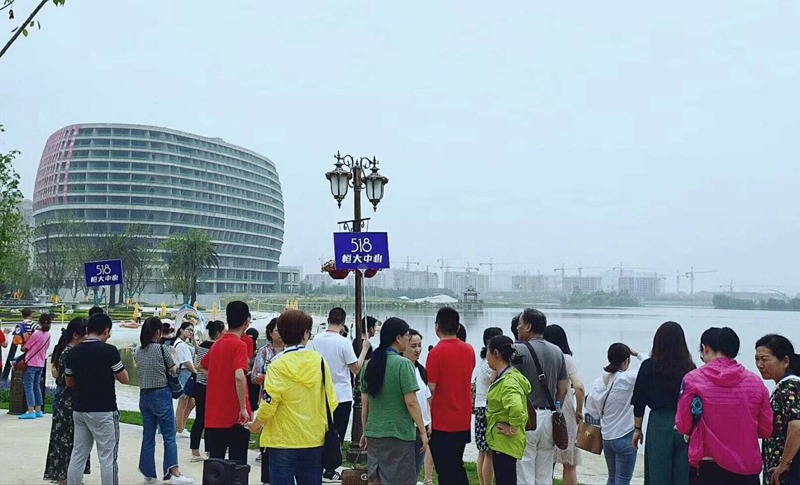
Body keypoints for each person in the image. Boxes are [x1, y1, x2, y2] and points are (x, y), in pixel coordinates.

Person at [245, 310, 338, 485]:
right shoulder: (319, 361)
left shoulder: (277, 364)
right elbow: (331, 400)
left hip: (281, 440)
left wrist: (256, 425)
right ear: (305, 334)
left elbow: (269, 403)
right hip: (313, 438)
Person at [675, 328, 772, 485]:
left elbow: (683, 425)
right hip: (747, 468)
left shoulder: (692, 380)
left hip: (707, 467)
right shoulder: (756, 383)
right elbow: (766, 429)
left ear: (705, 348)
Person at [360, 317, 427, 485]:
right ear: (398, 338)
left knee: (376, 479)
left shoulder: (369, 365)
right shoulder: (403, 365)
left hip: (375, 433)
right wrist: (422, 431)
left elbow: (365, 404)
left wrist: (365, 431)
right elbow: (411, 402)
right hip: (398, 433)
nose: (408, 339)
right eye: (407, 336)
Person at [65, 313, 130, 485]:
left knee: (78, 454)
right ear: (106, 331)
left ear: (87, 329)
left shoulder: (74, 352)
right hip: (104, 409)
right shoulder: (110, 351)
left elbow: (69, 381)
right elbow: (124, 378)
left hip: (80, 408)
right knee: (107, 457)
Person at [309, 307, 371, 482]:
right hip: (341, 394)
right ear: (343, 323)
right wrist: (364, 349)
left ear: (328, 320)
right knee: (338, 432)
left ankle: (319, 465)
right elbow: (356, 368)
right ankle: (330, 469)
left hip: (320, 393)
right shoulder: (343, 342)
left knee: (321, 431)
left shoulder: (317, 339)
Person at [630, 321, 695, 485]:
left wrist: (637, 429)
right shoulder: (690, 368)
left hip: (658, 423)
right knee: (683, 473)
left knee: (658, 472)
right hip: (684, 423)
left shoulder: (648, 366)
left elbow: (639, 401)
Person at [511, 308, 569, 485]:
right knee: (544, 472)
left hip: (527, 416)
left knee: (524, 469)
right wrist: (556, 407)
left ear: (528, 327)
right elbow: (563, 387)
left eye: (520, 324)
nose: (518, 328)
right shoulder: (557, 351)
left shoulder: (518, 350)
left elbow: (510, 384)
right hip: (549, 416)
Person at [135, 317, 193, 485]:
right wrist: (173, 357)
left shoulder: (139, 350)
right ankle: (173, 473)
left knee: (148, 436)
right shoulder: (162, 349)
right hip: (161, 394)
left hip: (144, 395)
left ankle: (148, 474)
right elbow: (173, 370)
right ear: (158, 332)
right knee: (169, 435)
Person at [198, 301, 252, 463]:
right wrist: (243, 407)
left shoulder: (217, 345)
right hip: (235, 417)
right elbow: (239, 376)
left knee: (215, 467)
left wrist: (217, 377)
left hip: (214, 415)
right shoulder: (239, 345)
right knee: (238, 466)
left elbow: (200, 366)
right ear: (246, 322)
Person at [586, 343, 646, 485]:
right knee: (623, 480)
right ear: (626, 361)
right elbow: (649, 366)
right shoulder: (628, 378)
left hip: (607, 437)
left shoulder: (599, 382)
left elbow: (591, 409)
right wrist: (638, 354)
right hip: (625, 435)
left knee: (612, 478)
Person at [427, 307, 475, 485]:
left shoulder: (435, 353)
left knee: (445, 470)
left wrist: (426, 419)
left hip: (442, 421)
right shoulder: (469, 350)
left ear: (437, 327)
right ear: (458, 327)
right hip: (462, 418)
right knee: (456, 464)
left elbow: (430, 389)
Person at [44, 317, 90, 485]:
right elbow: (68, 380)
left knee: (71, 442)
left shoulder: (68, 352)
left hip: (69, 403)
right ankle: (64, 478)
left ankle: (70, 476)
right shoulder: (71, 353)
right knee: (67, 443)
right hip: (68, 404)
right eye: (85, 334)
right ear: (76, 335)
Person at [486, 335, 531, 485]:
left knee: (505, 479)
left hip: (505, 442)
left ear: (496, 353)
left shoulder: (508, 382)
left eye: (488, 352)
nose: (486, 357)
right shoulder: (508, 376)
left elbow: (516, 407)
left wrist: (512, 428)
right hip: (502, 442)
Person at [756, 334, 800, 485]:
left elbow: (797, 426)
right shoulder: (783, 387)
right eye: (757, 359)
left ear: (785, 361)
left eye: (765, 359)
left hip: (788, 474)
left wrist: (784, 463)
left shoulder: (790, 386)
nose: (760, 365)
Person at [544, 324, 585, 485]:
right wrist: (579, 411)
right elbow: (579, 387)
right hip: (565, 413)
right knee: (569, 464)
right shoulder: (566, 359)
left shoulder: (542, 358)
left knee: (545, 463)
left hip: (545, 410)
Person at [251, 318, 285, 484]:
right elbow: (254, 376)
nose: (280, 333)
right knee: (267, 435)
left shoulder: (290, 351)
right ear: (270, 333)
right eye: (277, 330)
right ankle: (266, 477)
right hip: (268, 398)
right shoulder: (263, 352)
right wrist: (269, 377)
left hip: (286, 401)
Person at [191, 320, 225, 462]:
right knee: (211, 420)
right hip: (209, 387)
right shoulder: (216, 347)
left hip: (199, 386)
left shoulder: (202, 346)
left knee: (200, 418)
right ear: (218, 333)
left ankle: (195, 450)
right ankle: (210, 450)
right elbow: (202, 366)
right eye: (223, 332)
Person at [403, 329, 434, 484]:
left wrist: (429, 423)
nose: (417, 350)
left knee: (415, 471)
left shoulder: (421, 370)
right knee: (405, 472)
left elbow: (426, 399)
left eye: (419, 345)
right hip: (408, 427)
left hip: (423, 426)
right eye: (413, 346)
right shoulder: (402, 369)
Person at [474, 327, 503, 485]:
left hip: (480, 406)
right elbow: (493, 378)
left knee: (483, 451)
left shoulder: (482, 359)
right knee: (489, 452)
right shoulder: (489, 362)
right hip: (487, 407)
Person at [19, 313, 52, 419]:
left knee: (28, 386)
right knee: (36, 386)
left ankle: (31, 411)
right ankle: (38, 410)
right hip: (41, 363)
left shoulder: (36, 334)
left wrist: (21, 344)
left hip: (31, 362)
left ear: (39, 321)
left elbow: (25, 348)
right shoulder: (48, 335)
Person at [174, 321, 197, 438]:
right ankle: (179, 428)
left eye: (192, 330)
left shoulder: (185, 344)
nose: (190, 332)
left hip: (188, 373)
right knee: (183, 402)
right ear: (181, 330)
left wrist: (193, 339)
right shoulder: (180, 345)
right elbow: (186, 362)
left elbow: (197, 351)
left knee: (191, 402)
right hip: (185, 373)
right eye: (188, 330)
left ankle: (181, 425)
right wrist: (195, 372)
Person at [3, 307, 35, 381]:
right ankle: (16, 361)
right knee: (30, 354)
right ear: (31, 315)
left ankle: (5, 376)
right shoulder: (32, 323)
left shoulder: (20, 324)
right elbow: (39, 328)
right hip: (29, 344)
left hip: (20, 342)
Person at [246, 327, 261, 414]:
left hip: (243, 377)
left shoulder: (242, 348)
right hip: (254, 379)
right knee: (252, 404)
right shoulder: (258, 352)